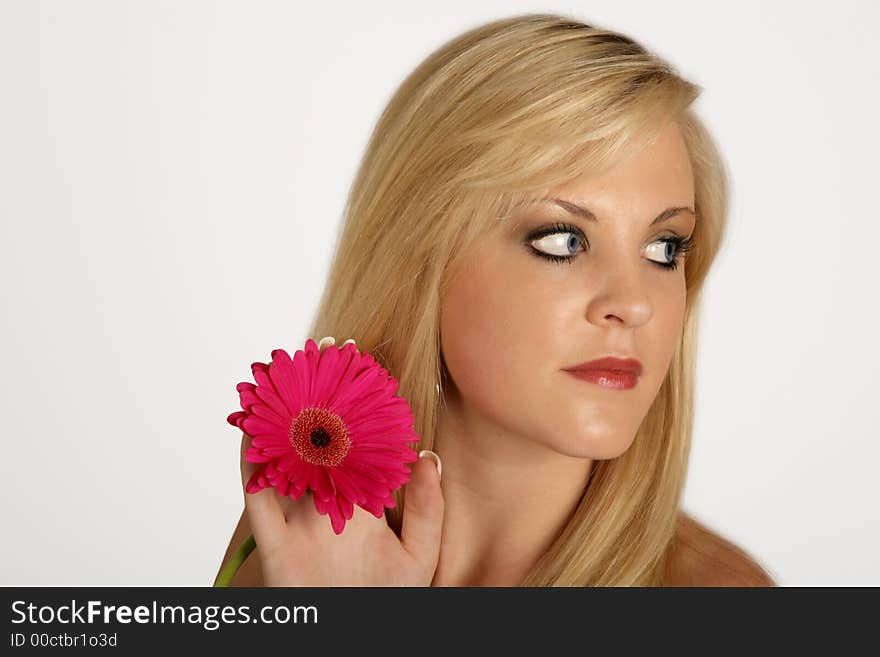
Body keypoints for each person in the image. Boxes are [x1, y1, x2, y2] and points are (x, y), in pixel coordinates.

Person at [216, 12, 777, 586]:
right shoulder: (295, 545)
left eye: (663, 247)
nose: (635, 304)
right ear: (421, 257)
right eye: (564, 241)